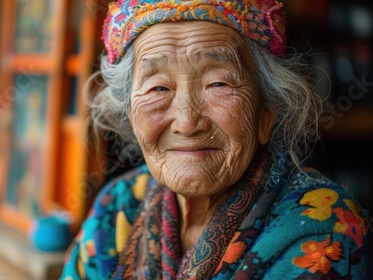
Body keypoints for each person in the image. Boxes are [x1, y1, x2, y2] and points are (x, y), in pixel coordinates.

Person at [61, 0, 373, 279]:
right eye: (158, 88)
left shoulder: (325, 228)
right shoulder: (118, 206)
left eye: (218, 83)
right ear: (130, 114)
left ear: (267, 111)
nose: (187, 123)